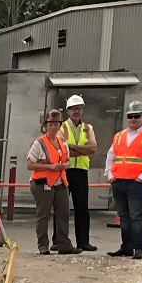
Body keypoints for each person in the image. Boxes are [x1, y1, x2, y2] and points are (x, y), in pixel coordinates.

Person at [106, 99, 142, 259]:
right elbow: (111, 155)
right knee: (124, 217)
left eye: (136, 116)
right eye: (130, 116)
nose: (133, 119)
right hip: (119, 180)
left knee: (136, 216)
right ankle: (126, 247)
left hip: (137, 183)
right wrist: (110, 174)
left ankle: (138, 248)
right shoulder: (119, 136)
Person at [26, 110, 74, 255]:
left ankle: (64, 244)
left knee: (63, 214)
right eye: (50, 124)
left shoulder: (62, 143)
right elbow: (30, 164)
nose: (53, 127)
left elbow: (67, 161)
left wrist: (65, 166)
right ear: (46, 125)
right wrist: (50, 167)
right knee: (43, 215)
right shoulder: (39, 144)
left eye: (56, 124)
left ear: (60, 125)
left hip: (60, 183)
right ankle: (43, 245)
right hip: (42, 183)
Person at [60, 94, 96, 251]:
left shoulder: (88, 129)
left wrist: (72, 147)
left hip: (81, 171)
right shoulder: (62, 128)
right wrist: (83, 150)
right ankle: (58, 240)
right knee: (61, 208)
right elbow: (62, 151)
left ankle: (83, 242)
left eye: (79, 109)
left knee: (82, 208)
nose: (77, 112)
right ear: (68, 111)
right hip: (65, 170)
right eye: (74, 109)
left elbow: (93, 149)